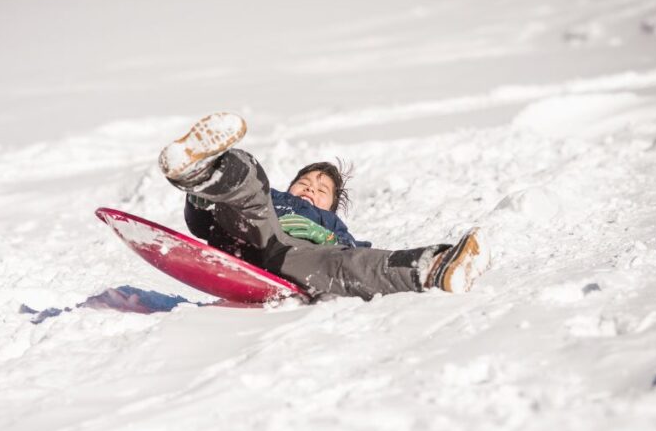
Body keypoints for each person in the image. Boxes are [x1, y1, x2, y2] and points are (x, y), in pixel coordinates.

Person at [159, 112, 489, 300]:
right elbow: (206, 224)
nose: (310, 190)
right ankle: (204, 174)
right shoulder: (274, 198)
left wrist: (333, 240)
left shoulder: (330, 224)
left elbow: (352, 254)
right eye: (304, 183)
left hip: (293, 257)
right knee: (249, 190)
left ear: (331, 207)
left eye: (321, 191)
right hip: (247, 232)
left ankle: (435, 267)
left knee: (349, 264)